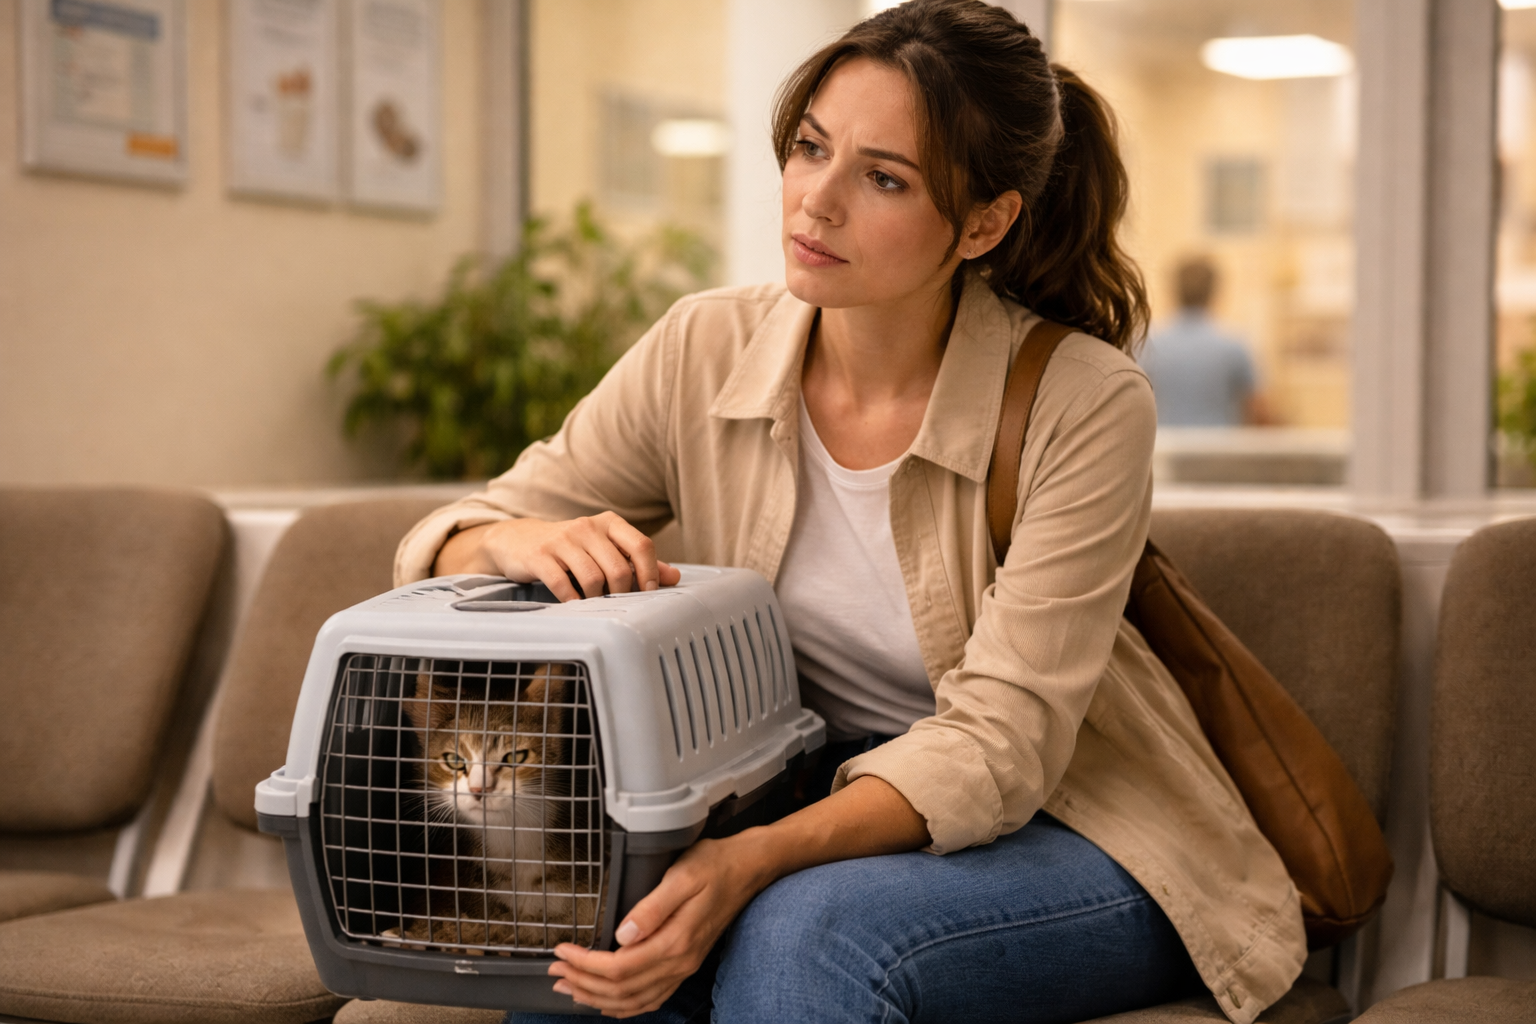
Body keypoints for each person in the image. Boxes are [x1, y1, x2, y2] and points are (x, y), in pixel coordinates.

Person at [394, 2, 1305, 1021]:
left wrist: (747, 861)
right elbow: (452, 545)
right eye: (811, 148)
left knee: (803, 929)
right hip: (802, 795)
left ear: (985, 222)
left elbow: (999, 746)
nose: (814, 202)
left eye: (883, 178)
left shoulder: (1084, 401)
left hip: (1085, 824)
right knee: (606, 938)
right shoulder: (703, 348)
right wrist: (512, 533)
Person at [1139, 257, 1272, 427]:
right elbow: (1258, 409)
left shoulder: (1148, 343)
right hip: (1219, 448)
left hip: (1165, 447)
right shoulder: (1234, 344)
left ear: (1174, 290)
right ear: (1214, 291)